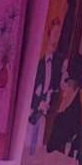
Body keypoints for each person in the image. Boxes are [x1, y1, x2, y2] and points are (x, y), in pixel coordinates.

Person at [29, 19, 65, 155]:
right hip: (32, 113)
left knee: (37, 150)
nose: (57, 37)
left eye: (59, 34)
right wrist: (38, 105)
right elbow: (30, 92)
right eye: (55, 33)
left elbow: (57, 87)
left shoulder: (58, 64)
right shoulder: (38, 64)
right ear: (49, 34)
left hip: (44, 115)